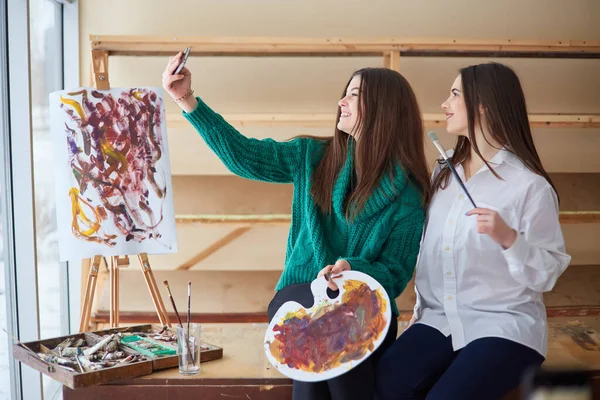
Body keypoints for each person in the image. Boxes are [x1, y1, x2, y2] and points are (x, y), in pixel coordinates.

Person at [162, 53, 431, 400]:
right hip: (300, 294)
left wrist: (353, 269)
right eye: (345, 93)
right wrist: (187, 100)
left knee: (334, 336)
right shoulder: (310, 156)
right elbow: (244, 156)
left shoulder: (407, 196)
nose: (341, 102)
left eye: (354, 95)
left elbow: (394, 274)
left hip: (365, 309)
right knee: (324, 332)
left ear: (384, 109)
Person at [375, 62, 571, 400]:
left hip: (505, 327)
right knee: (381, 388)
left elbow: (546, 275)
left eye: (454, 94)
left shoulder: (530, 187)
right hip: (439, 322)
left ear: (484, 104)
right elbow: (428, 254)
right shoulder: (443, 173)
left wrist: (509, 239)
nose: (444, 104)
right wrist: (418, 315)